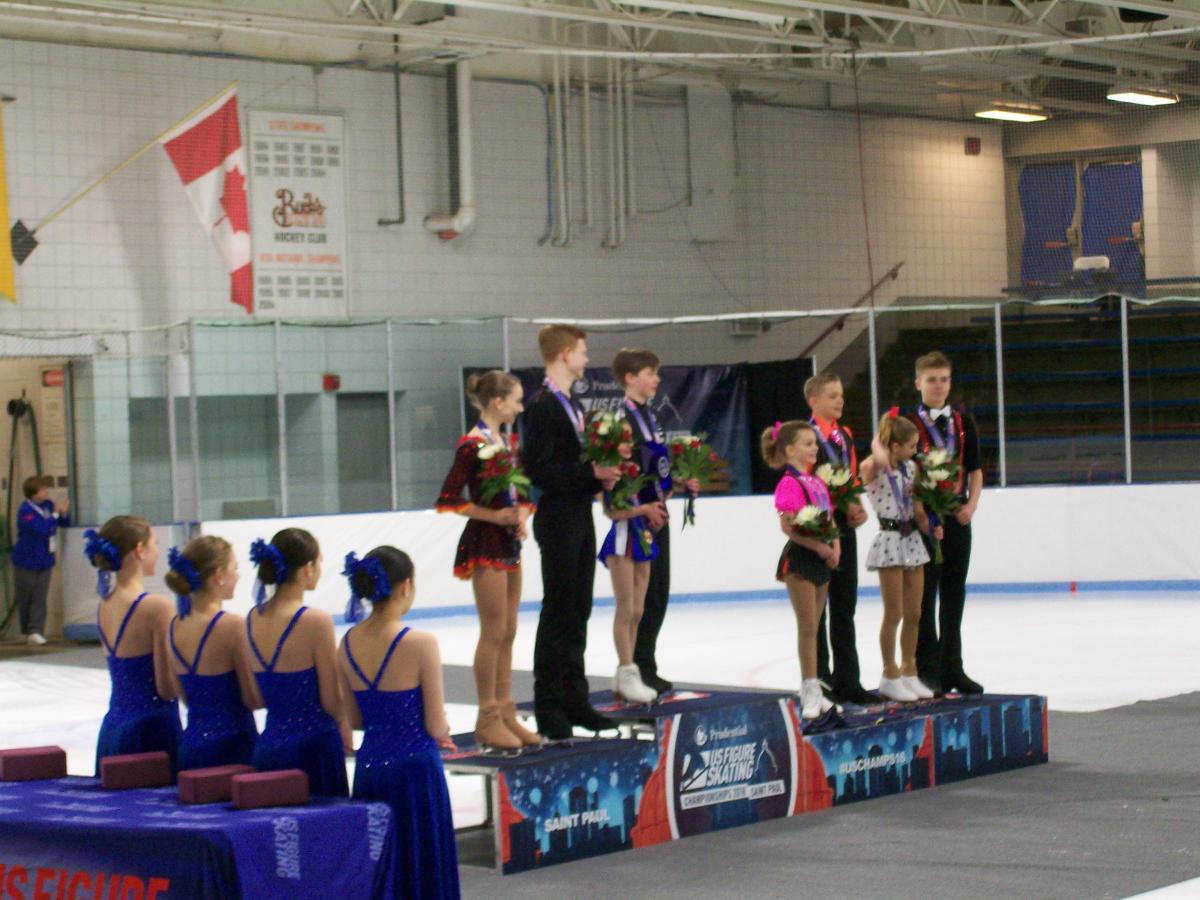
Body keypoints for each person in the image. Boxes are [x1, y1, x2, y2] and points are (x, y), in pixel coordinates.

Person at [339, 547, 460, 900]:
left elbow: (357, 718)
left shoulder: (346, 643)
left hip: (372, 766)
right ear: (406, 585)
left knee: (383, 865)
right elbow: (436, 724)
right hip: (415, 770)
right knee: (420, 862)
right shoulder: (421, 643)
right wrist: (443, 732)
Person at [523, 324, 620, 740]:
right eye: (582, 351)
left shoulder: (570, 403)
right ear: (564, 353)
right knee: (559, 609)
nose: (586, 358)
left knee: (579, 607)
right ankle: (549, 705)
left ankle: (575, 698)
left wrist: (600, 478)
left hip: (578, 512)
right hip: (558, 516)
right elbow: (539, 468)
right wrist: (589, 472)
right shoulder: (544, 405)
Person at [436, 369, 540, 751]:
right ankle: (487, 716)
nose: (520, 405)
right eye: (516, 399)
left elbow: (521, 492)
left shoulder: (505, 441)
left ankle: (506, 710)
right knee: (493, 629)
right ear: (498, 402)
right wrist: (494, 517)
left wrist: (521, 515)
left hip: (509, 540)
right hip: (485, 541)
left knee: (510, 629)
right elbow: (448, 499)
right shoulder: (472, 444)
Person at [612, 347, 694, 696]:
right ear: (631, 378)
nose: (657, 379)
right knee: (635, 603)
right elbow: (622, 475)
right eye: (651, 373)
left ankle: (647, 662)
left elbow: (653, 467)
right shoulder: (623, 420)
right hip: (637, 518)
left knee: (657, 595)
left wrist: (676, 483)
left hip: (657, 514)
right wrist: (642, 506)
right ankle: (636, 666)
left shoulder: (649, 416)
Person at [245, 528, 349, 796]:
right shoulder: (315, 621)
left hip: (269, 747)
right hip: (313, 750)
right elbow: (332, 702)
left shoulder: (252, 618)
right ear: (307, 568)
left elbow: (257, 697)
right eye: (320, 561)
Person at [908, 351, 985, 696]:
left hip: (957, 517)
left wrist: (971, 504)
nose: (939, 386)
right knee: (926, 598)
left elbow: (976, 469)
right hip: (924, 521)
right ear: (918, 384)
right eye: (932, 379)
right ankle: (929, 669)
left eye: (944, 379)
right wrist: (923, 514)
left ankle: (954, 666)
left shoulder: (963, 422)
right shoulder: (909, 425)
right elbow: (905, 474)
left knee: (955, 594)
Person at [84, 517, 181, 774]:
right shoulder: (158, 607)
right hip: (151, 728)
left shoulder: (105, 604)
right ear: (140, 550)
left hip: (114, 726)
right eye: (155, 544)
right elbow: (166, 687)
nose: (158, 551)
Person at [859, 411, 938, 702]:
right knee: (895, 613)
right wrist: (883, 437)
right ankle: (889, 673)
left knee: (915, 612)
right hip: (889, 541)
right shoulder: (873, 467)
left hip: (912, 540)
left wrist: (933, 527)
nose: (914, 451)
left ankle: (909, 670)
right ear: (893, 446)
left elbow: (916, 509)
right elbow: (875, 456)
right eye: (910, 446)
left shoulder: (911, 470)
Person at [762, 420, 839, 720]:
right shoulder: (789, 483)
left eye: (815, 443)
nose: (814, 448)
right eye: (808, 444)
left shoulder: (817, 482)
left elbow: (829, 520)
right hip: (801, 560)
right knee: (807, 627)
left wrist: (835, 547)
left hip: (822, 558)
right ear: (790, 449)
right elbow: (787, 525)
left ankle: (816, 687)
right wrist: (818, 547)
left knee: (816, 627)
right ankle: (808, 688)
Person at [804, 372, 874, 705]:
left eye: (841, 395)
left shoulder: (845, 435)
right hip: (817, 527)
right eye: (832, 395)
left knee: (845, 604)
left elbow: (852, 476)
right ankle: (820, 680)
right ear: (813, 400)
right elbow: (803, 481)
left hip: (843, 526)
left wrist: (857, 506)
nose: (840, 401)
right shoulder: (805, 436)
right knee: (817, 609)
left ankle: (849, 680)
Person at [163, 536, 259, 771]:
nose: (238, 575)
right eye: (234, 568)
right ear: (218, 575)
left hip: (192, 744)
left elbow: (184, 695)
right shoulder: (232, 626)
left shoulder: (174, 626)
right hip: (232, 746)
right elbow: (252, 698)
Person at [598, 439, 660, 706]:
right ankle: (626, 668)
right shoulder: (605, 471)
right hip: (621, 540)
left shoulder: (632, 469)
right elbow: (611, 511)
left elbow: (650, 494)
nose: (626, 443)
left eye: (627, 439)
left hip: (641, 536)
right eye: (620, 439)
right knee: (625, 608)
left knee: (638, 610)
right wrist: (643, 509)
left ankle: (627, 671)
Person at [12, 475, 69, 646]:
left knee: (40, 596)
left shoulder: (48, 506)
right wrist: (56, 513)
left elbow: (61, 522)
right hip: (26, 560)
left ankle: (36, 630)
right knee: (27, 595)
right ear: (34, 493)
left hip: (45, 558)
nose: (47, 491)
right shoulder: (25, 511)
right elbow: (42, 529)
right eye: (43, 489)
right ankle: (28, 629)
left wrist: (63, 512)